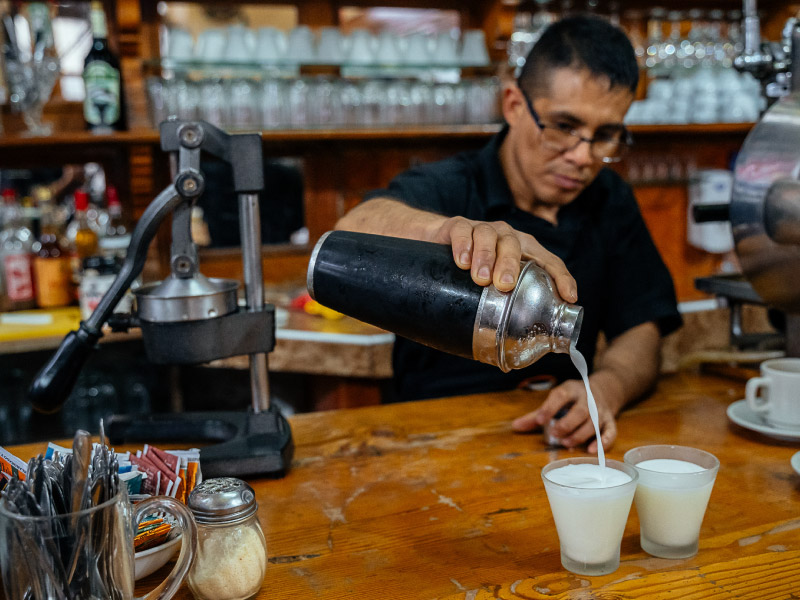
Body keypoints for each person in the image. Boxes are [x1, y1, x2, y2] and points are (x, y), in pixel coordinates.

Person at [334, 15, 682, 453]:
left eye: (605, 135)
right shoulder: (452, 186)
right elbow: (349, 233)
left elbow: (642, 326)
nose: (582, 156)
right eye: (564, 127)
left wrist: (606, 389)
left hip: (557, 443)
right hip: (434, 438)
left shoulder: (610, 199)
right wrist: (449, 230)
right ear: (515, 105)